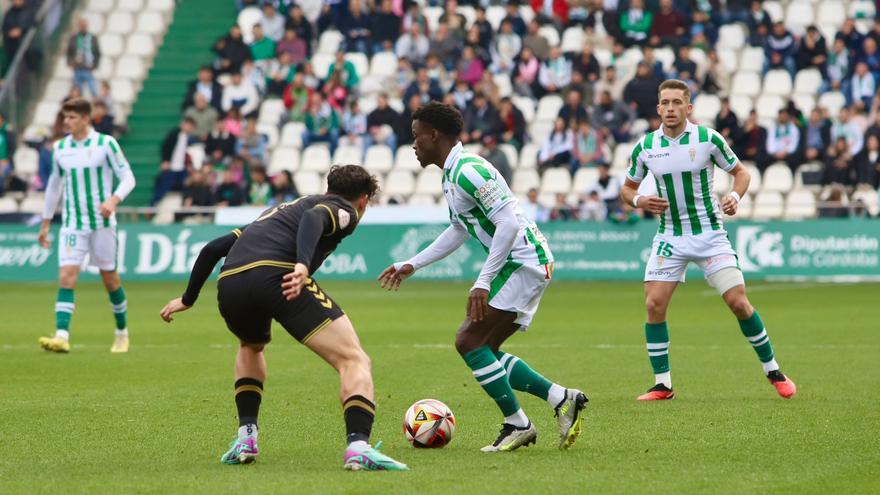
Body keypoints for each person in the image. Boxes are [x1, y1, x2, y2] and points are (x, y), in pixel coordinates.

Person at [159, 165, 408, 471]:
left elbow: (213, 248)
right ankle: (358, 447)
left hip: (231, 283)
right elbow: (314, 219)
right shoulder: (344, 210)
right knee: (353, 359)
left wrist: (187, 299)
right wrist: (302, 265)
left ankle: (246, 438)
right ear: (364, 199)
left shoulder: (279, 211)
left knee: (251, 346)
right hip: (277, 275)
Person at [378, 102, 588, 453]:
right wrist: (413, 263)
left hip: (522, 261)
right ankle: (561, 397)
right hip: (522, 261)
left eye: (417, 137)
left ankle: (518, 424)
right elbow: (459, 229)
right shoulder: (452, 174)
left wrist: (483, 281)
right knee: (485, 348)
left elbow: (507, 223)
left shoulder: (469, 170)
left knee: (467, 341)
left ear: (435, 135)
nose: (414, 145)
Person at [619, 79, 797, 401]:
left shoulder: (707, 139)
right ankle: (663, 384)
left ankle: (773, 369)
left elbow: (742, 173)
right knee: (653, 304)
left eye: (677, 103)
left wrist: (734, 196)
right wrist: (638, 202)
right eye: (665, 103)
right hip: (670, 235)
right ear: (658, 108)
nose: (670, 108)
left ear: (689, 108)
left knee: (738, 302)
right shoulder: (645, 146)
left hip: (709, 234)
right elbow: (627, 189)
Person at [37, 98, 136, 354]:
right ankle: (61, 335)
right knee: (66, 277)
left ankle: (122, 332)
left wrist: (114, 199)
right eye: (65, 117)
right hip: (72, 224)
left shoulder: (105, 144)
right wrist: (45, 222)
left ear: (85, 119)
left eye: (71, 118)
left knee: (110, 280)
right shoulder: (60, 148)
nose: (66, 122)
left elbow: (128, 177)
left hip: (102, 223)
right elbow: (54, 187)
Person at [66, 17, 101, 98]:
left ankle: (96, 105)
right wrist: (70, 63)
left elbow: (97, 53)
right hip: (77, 67)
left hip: (88, 68)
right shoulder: (74, 38)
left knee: (93, 90)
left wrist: (95, 65)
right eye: (81, 26)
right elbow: (69, 52)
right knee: (77, 90)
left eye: (84, 25)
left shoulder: (92, 38)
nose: (82, 27)